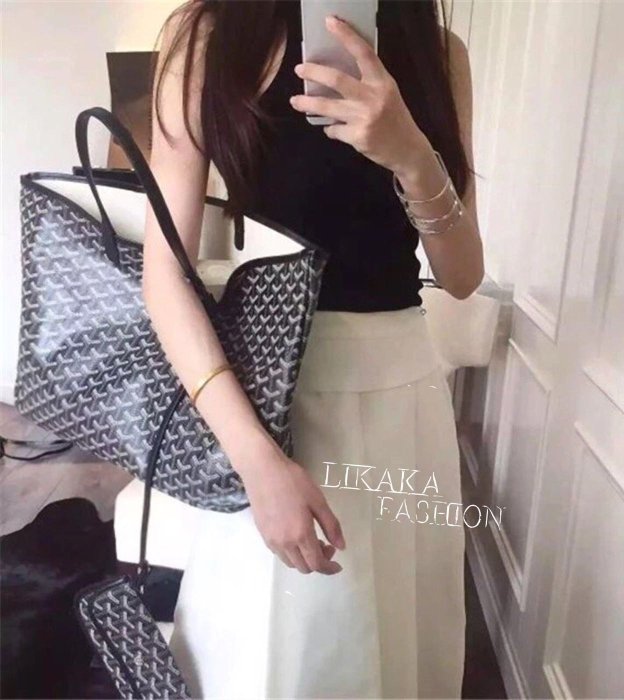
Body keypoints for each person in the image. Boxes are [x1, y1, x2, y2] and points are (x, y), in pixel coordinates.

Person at [138, 0, 483, 697]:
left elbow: (462, 274)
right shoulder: (207, 39)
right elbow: (164, 276)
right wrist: (256, 463)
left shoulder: (440, 52)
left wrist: (413, 157)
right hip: (271, 407)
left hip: (404, 404)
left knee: (402, 648)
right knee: (280, 658)